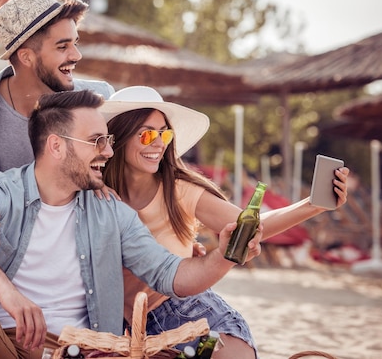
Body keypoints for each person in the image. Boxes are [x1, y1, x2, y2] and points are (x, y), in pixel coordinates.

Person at [0, 89, 262, 359]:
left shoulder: (111, 210)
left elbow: (174, 276)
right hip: (2, 341)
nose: (107, 152)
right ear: (56, 146)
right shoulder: (4, 191)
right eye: (96, 141)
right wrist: (9, 294)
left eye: (107, 141)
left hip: (81, 348)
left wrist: (224, 257)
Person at [100, 86, 350, 359]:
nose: (159, 143)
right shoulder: (95, 194)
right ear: (119, 138)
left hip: (187, 311)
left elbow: (249, 225)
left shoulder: (178, 189)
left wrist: (311, 205)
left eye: (165, 133)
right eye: (148, 134)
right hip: (128, 327)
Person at [0, 0, 115, 176]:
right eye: (63, 46)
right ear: (26, 56)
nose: (76, 55)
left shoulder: (102, 101)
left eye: (75, 43)